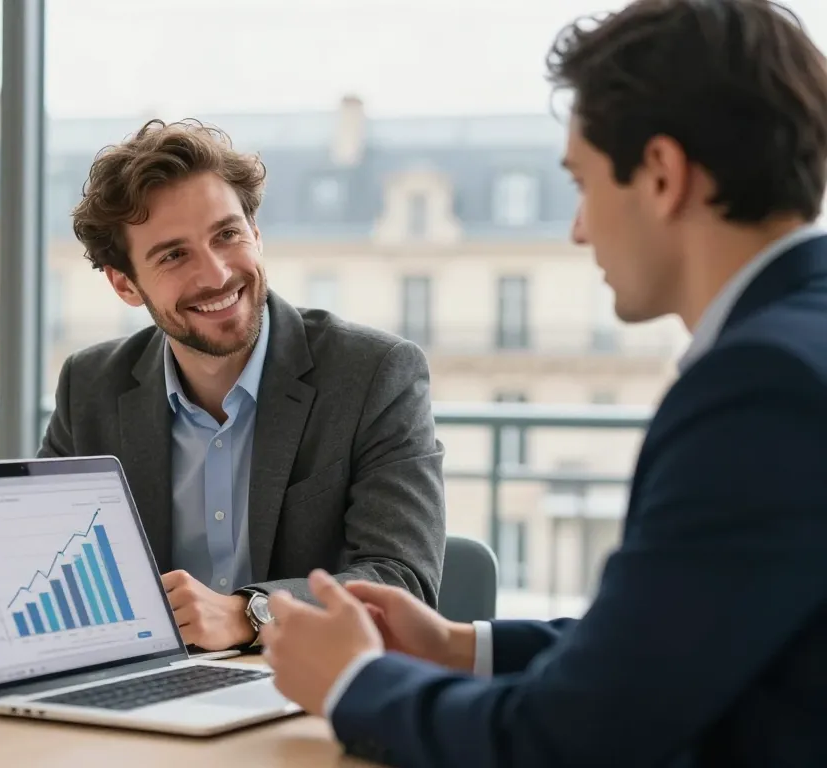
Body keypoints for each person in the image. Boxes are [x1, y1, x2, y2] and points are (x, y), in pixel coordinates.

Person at [259, 1, 827, 765]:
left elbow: (566, 741)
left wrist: (353, 681)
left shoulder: (760, 387)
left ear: (662, 175)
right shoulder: (799, 344)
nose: (578, 229)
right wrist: (458, 646)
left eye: (582, 183)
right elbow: (669, 639)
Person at [38, 119, 446, 652]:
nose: (216, 275)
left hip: (310, 685)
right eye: (174, 255)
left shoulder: (375, 375)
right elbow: (39, 564)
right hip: (152, 685)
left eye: (227, 235)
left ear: (256, 233)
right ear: (125, 285)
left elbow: (402, 581)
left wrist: (249, 613)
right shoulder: (89, 387)